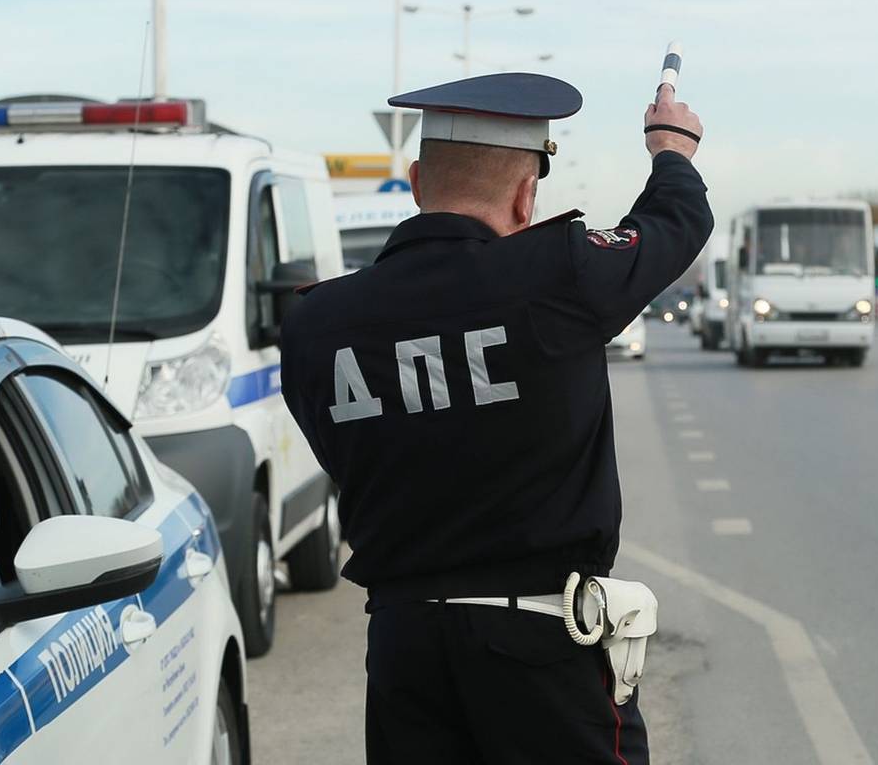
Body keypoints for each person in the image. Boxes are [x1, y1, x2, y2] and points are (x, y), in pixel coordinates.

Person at [279, 71, 711, 764]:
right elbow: (671, 227)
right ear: (524, 195)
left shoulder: (314, 323)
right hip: (539, 648)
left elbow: (344, 456)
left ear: (416, 184)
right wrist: (671, 150)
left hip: (403, 650)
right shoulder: (558, 274)